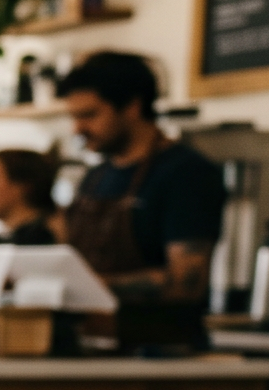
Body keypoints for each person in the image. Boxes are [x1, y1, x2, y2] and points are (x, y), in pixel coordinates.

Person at [56, 50, 220, 298]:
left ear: (132, 107)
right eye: (74, 117)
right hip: (95, 333)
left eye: (89, 115)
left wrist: (95, 285)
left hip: (159, 335)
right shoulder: (95, 177)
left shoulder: (186, 173)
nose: (77, 128)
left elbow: (187, 282)